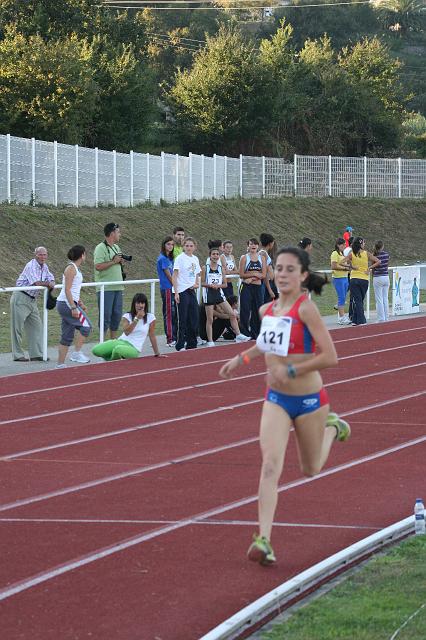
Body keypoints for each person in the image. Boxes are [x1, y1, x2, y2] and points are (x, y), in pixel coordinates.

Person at [219, 247, 351, 566]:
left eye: (290, 269)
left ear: (303, 275)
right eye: (278, 268)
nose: (282, 274)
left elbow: (330, 357)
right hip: (276, 399)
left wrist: (291, 370)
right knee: (269, 466)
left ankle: (332, 427)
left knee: (310, 470)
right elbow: (266, 343)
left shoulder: (307, 310)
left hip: (308, 400)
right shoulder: (267, 310)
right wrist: (242, 358)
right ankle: (263, 539)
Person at [10, 246, 55, 361]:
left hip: (32, 299)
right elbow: (36, 282)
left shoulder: (44, 267)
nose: (43, 257)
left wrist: (52, 282)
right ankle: (18, 355)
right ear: (35, 255)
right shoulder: (31, 265)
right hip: (21, 297)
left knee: (37, 326)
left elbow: (51, 277)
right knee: (17, 328)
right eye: (40, 254)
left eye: (44, 254)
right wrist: (49, 284)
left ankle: (36, 354)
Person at [201, 246, 250, 347]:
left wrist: (217, 286)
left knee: (232, 314)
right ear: (210, 256)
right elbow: (201, 282)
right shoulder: (205, 268)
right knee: (209, 319)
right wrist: (210, 285)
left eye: (217, 254)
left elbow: (225, 284)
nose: (215, 256)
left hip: (219, 294)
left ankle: (238, 335)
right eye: (213, 254)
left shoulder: (221, 269)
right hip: (209, 295)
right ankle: (210, 341)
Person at [92, 293, 160, 360]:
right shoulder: (127, 316)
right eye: (138, 303)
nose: (140, 305)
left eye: (142, 303)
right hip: (121, 341)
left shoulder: (150, 317)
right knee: (96, 350)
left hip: (134, 348)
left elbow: (152, 335)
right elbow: (127, 332)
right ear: (134, 304)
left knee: (118, 350)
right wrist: (137, 319)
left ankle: (109, 362)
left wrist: (157, 353)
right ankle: (112, 359)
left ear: (145, 305)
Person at [56, 245, 91, 368]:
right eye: (85, 254)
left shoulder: (75, 268)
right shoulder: (71, 268)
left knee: (67, 335)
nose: (86, 256)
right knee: (86, 326)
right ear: (82, 255)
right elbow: (67, 289)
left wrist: (79, 302)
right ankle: (76, 353)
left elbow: (74, 289)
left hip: (69, 303)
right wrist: (73, 307)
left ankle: (60, 365)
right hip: (66, 304)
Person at [93, 223, 126, 340]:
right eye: (118, 232)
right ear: (112, 233)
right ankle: (102, 342)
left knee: (117, 316)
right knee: (105, 316)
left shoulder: (117, 247)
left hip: (118, 287)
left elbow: (117, 262)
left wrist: (120, 262)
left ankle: (113, 341)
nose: (120, 234)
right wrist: (113, 262)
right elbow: (98, 266)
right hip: (105, 288)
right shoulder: (100, 248)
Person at [173, 237, 201, 351]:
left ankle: (192, 343)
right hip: (182, 290)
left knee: (194, 317)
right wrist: (176, 292)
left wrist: (196, 283)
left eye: (191, 246)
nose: (189, 248)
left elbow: (197, 274)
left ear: (194, 247)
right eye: (187, 245)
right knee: (183, 319)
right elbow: (175, 275)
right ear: (183, 246)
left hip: (191, 290)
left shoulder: (195, 259)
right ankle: (180, 344)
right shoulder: (180, 258)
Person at [348, 237, 381, 326]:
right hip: (364, 279)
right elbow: (378, 261)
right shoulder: (366, 253)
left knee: (357, 300)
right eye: (363, 243)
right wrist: (369, 268)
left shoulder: (351, 254)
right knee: (359, 300)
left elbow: (344, 262)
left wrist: (351, 266)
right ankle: (361, 320)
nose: (364, 245)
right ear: (361, 244)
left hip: (354, 278)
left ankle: (355, 320)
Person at [239, 238, 267, 339]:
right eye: (251, 244)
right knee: (245, 310)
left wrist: (251, 277)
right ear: (248, 246)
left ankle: (256, 333)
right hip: (246, 287)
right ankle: (244, 333)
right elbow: (241, 274)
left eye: (255, 244)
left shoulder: (262, 258)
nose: (253, 246)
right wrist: (255, 275)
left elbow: (263, 274)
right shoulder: (244, 258)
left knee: (257, 310)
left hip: (258, 287)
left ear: (258, 246)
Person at [156, 236, 177, 346]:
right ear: (164, 245)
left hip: (172, 288)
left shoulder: (170, 258)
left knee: (174, 313)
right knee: (169, 313)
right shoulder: (163, 258)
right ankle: (170, 339)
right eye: (168, 244)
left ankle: (175, 336)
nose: (170, 246)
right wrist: (176, 285)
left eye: (172, 244)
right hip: (167, 288)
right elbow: (169, 275)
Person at [330, 238, 351, 325]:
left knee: (343, 297)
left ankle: (342, 316)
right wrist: (345, 268)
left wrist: (349, 267)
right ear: (338, 245)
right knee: (341, 297)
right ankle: (342, 317)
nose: (344, 246)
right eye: (343, 245)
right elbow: (333, 266)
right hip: (338, 278)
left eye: (345, 245)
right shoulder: (334, 253)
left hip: (345, 277)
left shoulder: (342, 254)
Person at [372, 240, 390, 323]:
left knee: (379, 299)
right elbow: (386, 265)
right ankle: (386, 316)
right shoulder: (386, 254)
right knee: (385, 298)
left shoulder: (374, 255)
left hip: (377, 277)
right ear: (382, 246)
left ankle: (381, 318)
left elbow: (373, 267)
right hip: (386, 276)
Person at [259, 233, 278, 303]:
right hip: (267, 284)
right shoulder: (263, 254)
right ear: (270, 243)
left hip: (269, 283)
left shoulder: (264, 253)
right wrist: (270, 290)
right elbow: (265, 273)